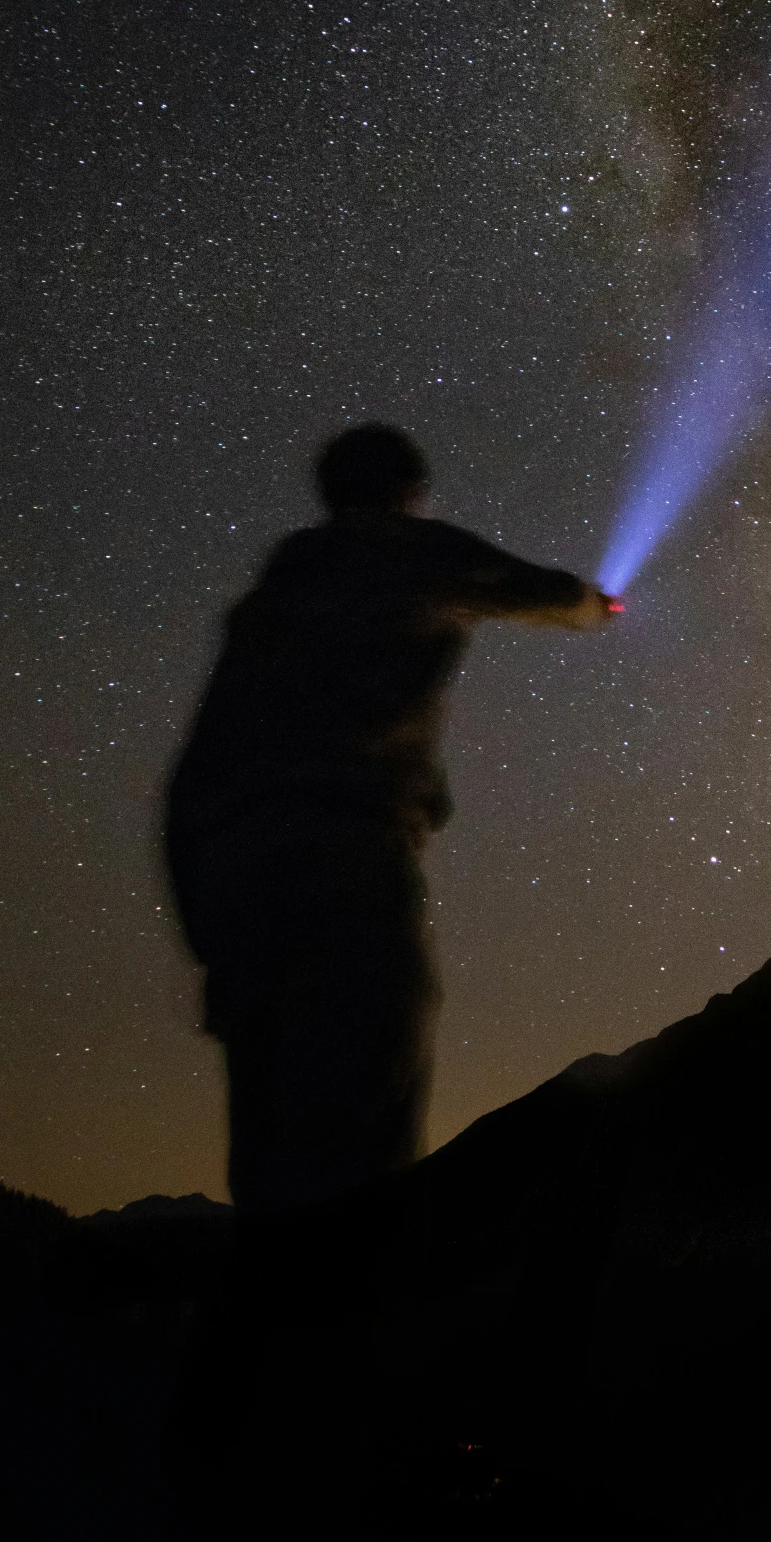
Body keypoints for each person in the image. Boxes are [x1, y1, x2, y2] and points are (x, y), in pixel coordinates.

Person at [165, 422, 617, 1218]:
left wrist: (208, 941)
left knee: (269, 1145)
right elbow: (542, 593)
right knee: (372, 1103)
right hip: (345, 856)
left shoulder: (267, 606)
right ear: (409, 495)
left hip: (238, 886)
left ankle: (264, 1330)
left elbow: (191, 781)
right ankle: (350, 1325)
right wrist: (596, 603)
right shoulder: (411, 551)